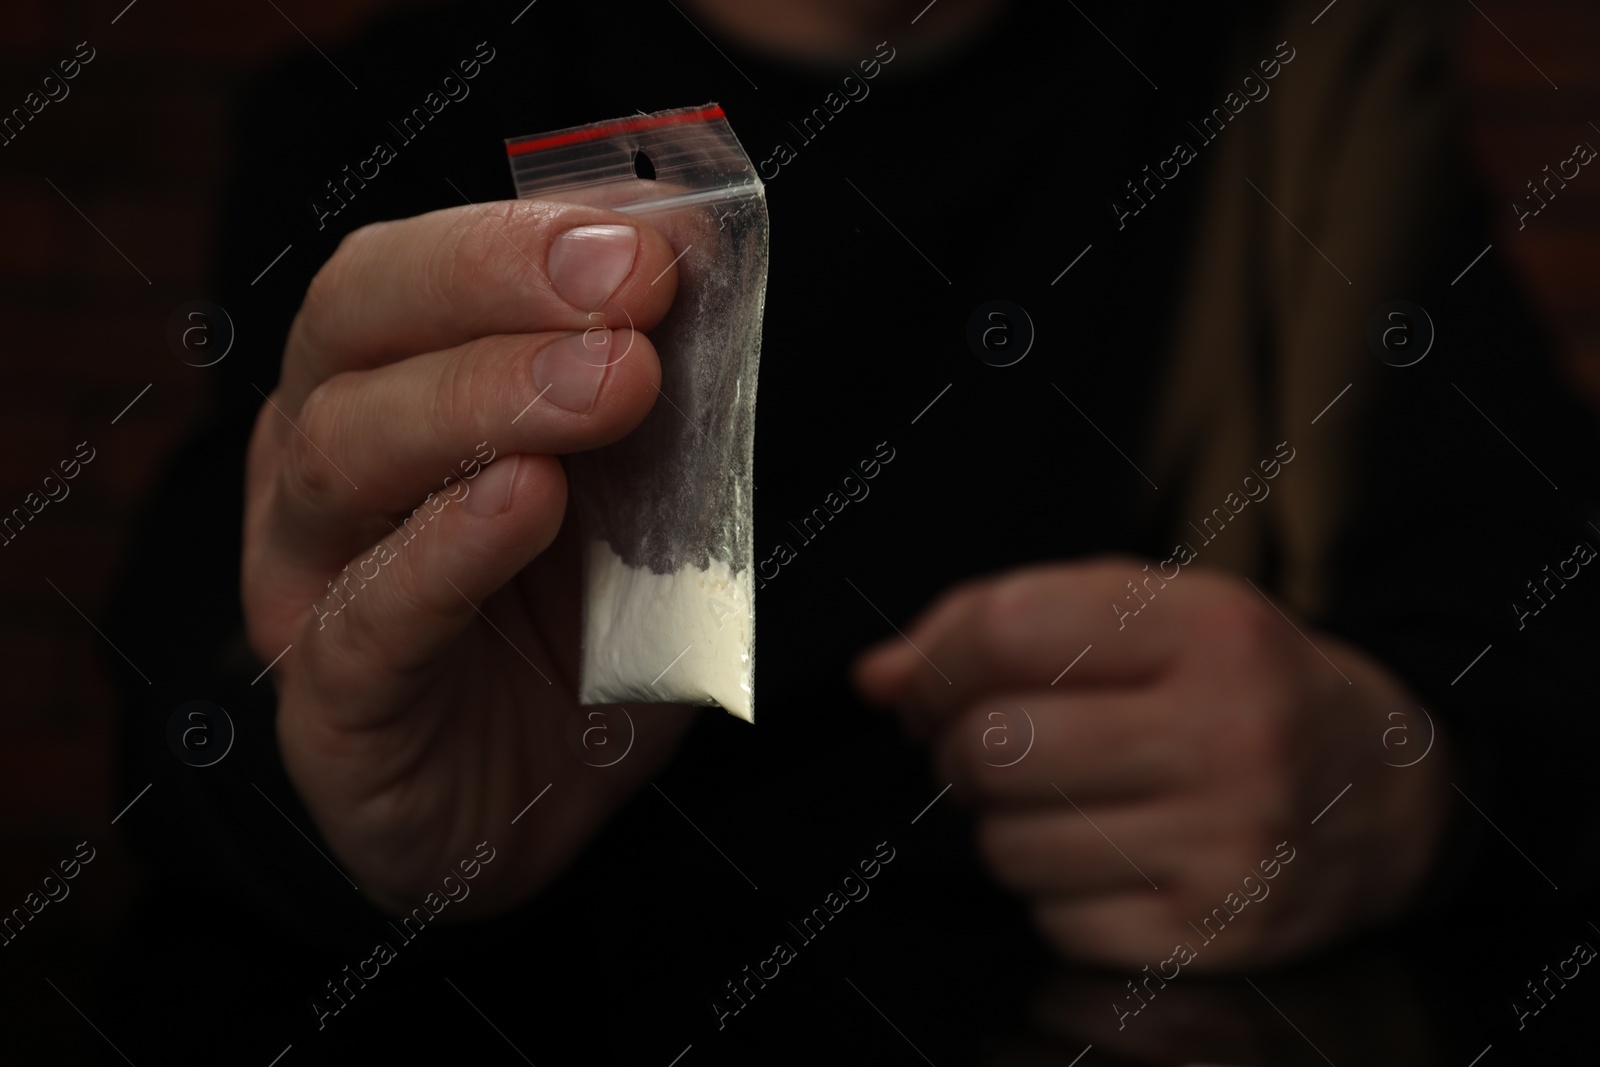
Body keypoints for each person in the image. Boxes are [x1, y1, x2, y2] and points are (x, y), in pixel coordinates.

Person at [103, 0, 1600, 1061]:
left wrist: (1402, 786)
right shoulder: (402, 103)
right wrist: (350, 801)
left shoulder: (1303, 96)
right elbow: (182, 722)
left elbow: (1549, 647)